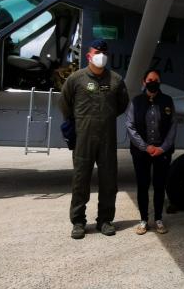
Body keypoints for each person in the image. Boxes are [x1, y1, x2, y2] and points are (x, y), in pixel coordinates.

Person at [60, 39, 129, 239]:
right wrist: (81, 122)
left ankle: (105, 220)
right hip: (84, 138)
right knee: (80, 180)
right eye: (97, 52)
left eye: (104, 52)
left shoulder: (116, 80)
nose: (101, 55)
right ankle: (78, 222)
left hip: (107, 138)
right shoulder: (76, 79)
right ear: (89, 55)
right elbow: (64, 104)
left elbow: (122, 104)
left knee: (109, 181)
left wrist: (106, 117)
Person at [125, 69, 176, 235]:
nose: (153, 82)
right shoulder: (136, 101)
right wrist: (145, 147)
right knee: (142, 185)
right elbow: (130, 126)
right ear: (144, 82)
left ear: (160, 82)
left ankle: (159, 219)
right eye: (150, 80)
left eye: (156, 80)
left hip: (162, 152)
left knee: (160, 186)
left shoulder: (167, 101)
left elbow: (173, 126)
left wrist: (162, 148)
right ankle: (144, 220)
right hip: (141, 152)